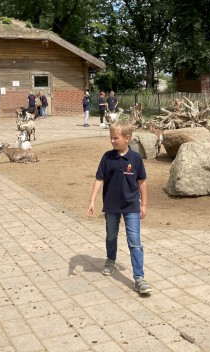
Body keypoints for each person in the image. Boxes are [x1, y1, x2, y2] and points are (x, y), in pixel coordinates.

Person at [87, 121, 152, 295]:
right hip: (111, 206)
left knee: (135, 242)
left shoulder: (136, 158)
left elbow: (142, 181)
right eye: (111, 138)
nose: (112, 141)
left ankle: (139, 278)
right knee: (111, 235)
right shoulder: (107, 157)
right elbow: (99, 179)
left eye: (116, 138)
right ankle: (110, 260)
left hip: (131, 205)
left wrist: (144, 204)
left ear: (127, 138)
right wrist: (92, 200)